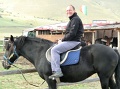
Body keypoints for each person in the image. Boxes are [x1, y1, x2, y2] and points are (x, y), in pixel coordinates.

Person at [49, 5, 84, 79]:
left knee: (54, 50)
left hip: (74, 41)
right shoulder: (72, 19)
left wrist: (62, 40)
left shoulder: (75, 19)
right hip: (71, 40)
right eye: (67, 10)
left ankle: (57, 71)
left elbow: (72, 33)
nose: (68, 12)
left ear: (74, 11)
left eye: (70, 10)